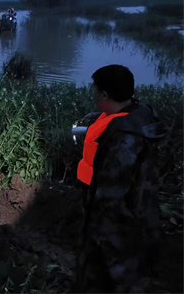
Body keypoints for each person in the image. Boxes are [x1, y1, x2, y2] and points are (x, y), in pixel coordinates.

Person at [74, 65, 167, 293]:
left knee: (108, 271)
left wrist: (95, 226)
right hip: (132, 210)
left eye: (94, 88)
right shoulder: (136, 112)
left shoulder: (125, 138)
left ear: (104, 94)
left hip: (116, 219)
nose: (92, 92)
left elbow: (111, 194)